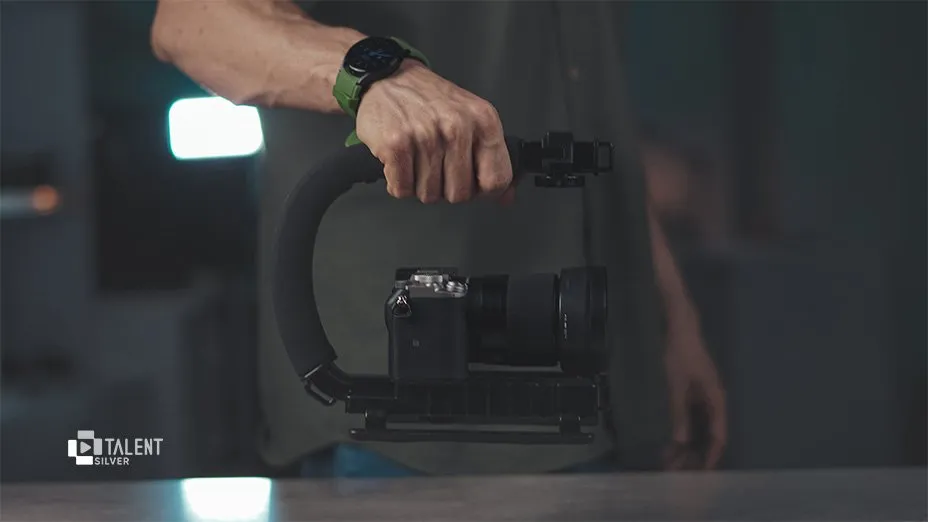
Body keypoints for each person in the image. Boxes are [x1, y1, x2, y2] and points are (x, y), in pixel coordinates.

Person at [151, 0, 727, 477]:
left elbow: (587, 101)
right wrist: (372, 75)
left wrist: (669, 316)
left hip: (611, 381)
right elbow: (190, 19)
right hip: (404, 416)